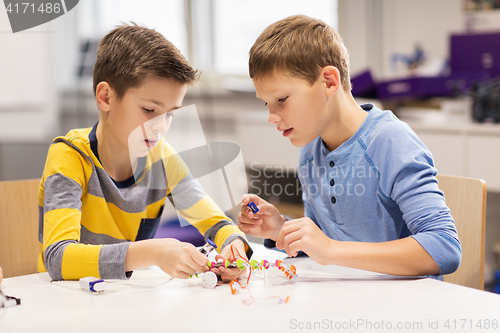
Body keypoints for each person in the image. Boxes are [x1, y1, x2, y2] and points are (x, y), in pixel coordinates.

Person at [238, 15, 461, 277]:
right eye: (267, 103)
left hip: (403, 306)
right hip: (346, 299)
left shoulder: (389, 140)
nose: (271, 116)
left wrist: (331, 249)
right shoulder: (311, 150)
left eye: (282, 99)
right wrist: (281, 230)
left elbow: (444, 247)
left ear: (329, 82)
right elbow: (322, 245)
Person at [38, 24, 251, 281]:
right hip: (67, 304)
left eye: (170, 113)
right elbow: (58, 259)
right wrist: (152, 252)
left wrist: (234, 246)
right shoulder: (70, 156)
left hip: (129, 302)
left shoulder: (162, 158)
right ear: (105, 97)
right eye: (149, 110)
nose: (160, 128)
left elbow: (216, 223)